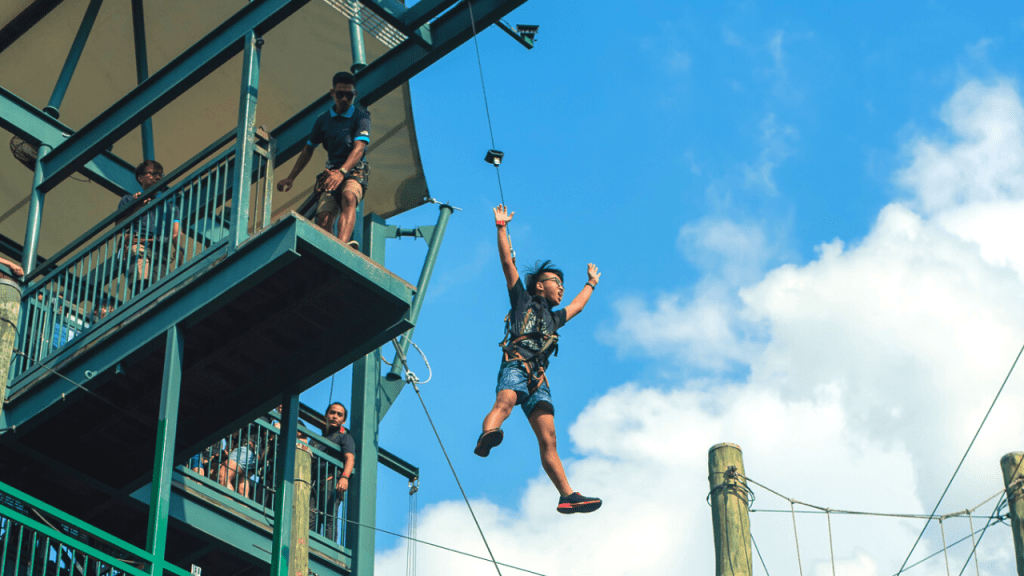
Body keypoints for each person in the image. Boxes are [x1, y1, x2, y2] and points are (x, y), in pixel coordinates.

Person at [475, 205, 603, 515]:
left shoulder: (554, 318)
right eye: (555, 281)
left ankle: (567, 495)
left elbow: (577, 306)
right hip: (517, 365)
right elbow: (507, 263)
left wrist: (590, 284)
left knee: (549, 438)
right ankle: (487, 435)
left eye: (563, 284)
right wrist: (501, 228)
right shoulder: (522, 300)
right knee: (505, 402)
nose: (561, 287)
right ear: (539, 285)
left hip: (538, 379)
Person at [276, 71, 370, 249]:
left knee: (349, 196)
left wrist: (342, 172)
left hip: (353, 171)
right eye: (340, 94)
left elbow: (359, 148)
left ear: (355, 94)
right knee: (324, 217)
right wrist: (291, 177)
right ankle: (329, 250)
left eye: (349, 95)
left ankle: (342, 246)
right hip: (331, 172)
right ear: (332, 93)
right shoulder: (323, 120)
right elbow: (308, 150)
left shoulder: (361, 117)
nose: (344, 99)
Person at [115, 161, 180, 284]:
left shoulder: (171, 208)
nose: (158, 177)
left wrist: (179, 249)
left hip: (160, 250)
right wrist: (138, 206)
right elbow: (119, 226)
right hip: (138, 244)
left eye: (160, 174)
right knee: (140, 283)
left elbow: (175, 232)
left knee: (161, 287)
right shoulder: (129, 200)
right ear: (141, 178)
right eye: (153, 173)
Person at [308, 402, 355, 540]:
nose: (335, 416)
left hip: (331, 480)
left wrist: (344, 477)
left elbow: (350, 458)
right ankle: (308, 544)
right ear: (326, 415)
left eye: (339, 415)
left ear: (343, 421)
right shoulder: (315, 441)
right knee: (310, 517)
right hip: (314, 483)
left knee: (329, 517)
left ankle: (328, 546)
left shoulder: (344, 437)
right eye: (332, 412)